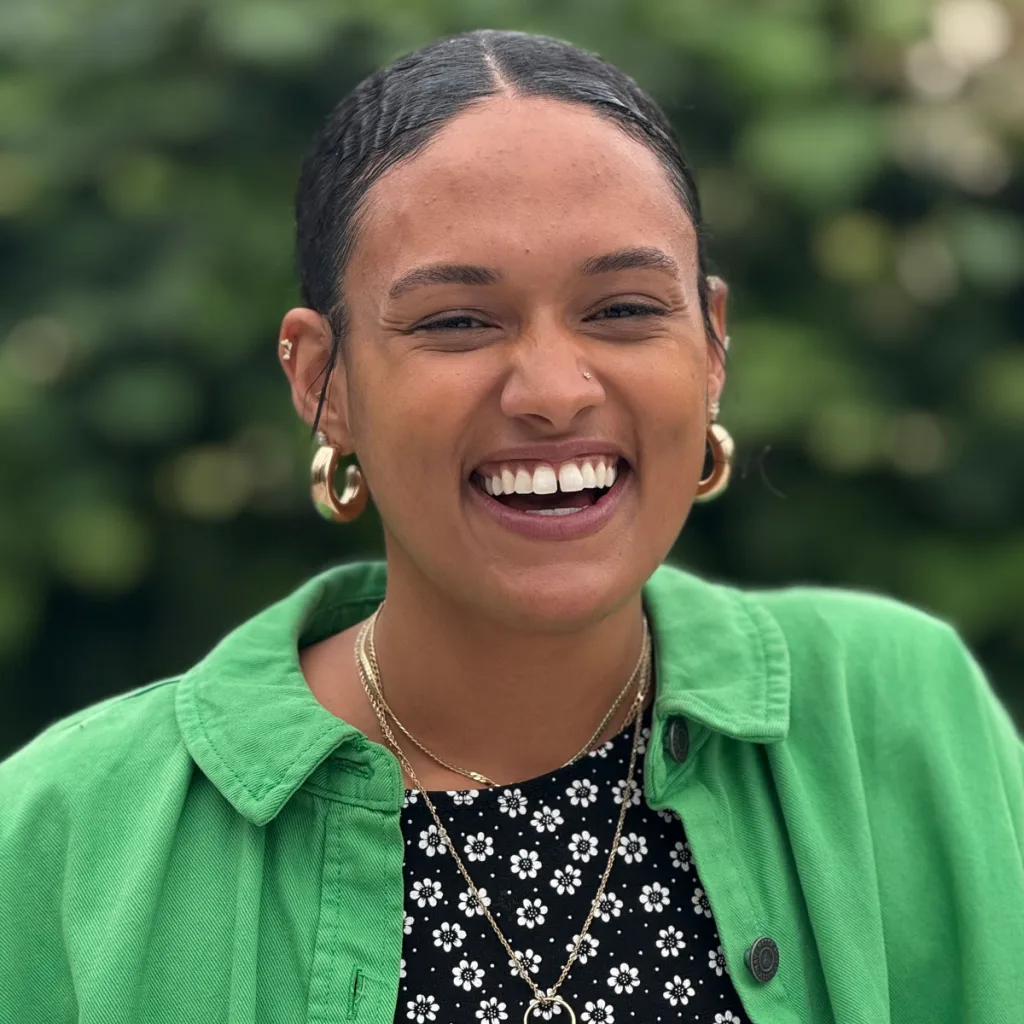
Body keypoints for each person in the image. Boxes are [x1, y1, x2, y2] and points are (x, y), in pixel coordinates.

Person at [1, 28, 1021, 1024]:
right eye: (456, 320)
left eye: (621, 309)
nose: (550, 391)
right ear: (324, 381)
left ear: (711, 345)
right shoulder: (64, 839)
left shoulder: (897, 715)